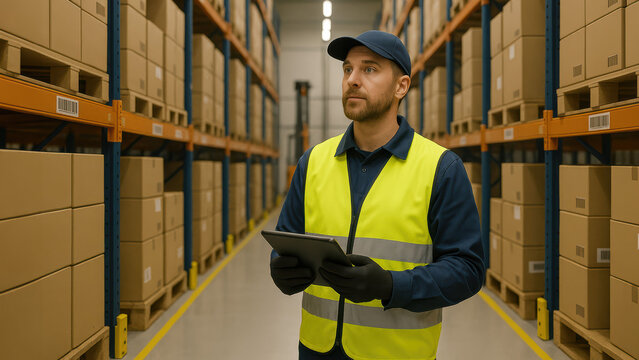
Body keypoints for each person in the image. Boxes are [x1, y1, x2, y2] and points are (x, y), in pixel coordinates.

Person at [270, 30, 485, 360]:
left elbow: (468, 270)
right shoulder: (313, 162)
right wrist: (281, 269)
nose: (353, 80)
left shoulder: (440, 168)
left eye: (369, 69)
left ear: (401, 86)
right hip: (316, 350)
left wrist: (390, 286)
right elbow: (286, 238)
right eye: (347, 69)